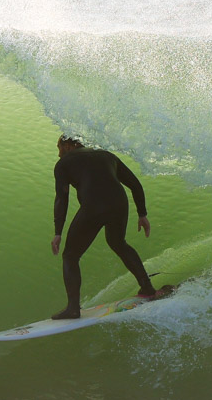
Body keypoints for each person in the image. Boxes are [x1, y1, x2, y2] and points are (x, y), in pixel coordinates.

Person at [50, 135, 158, 319]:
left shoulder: (63, 164)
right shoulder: (106, 155)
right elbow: (135, 184)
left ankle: (73, 308)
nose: (59, 153)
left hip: (94, 206)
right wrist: (142, 214)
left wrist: (58, 232)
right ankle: (147, 288)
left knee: (70, 256)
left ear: (68, 146)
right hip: (119, 202)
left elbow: (62, 198)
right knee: (118, 242)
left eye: (59, 147)